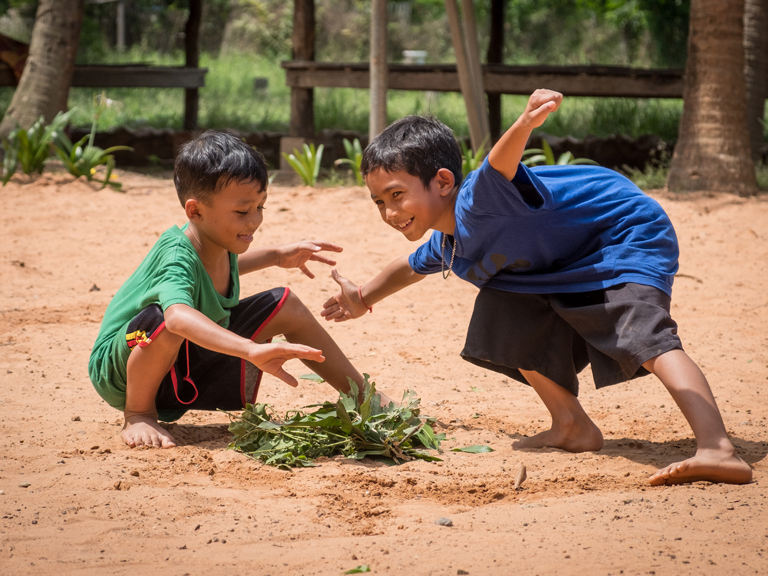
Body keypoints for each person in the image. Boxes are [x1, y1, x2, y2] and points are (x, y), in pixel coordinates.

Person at [320, 89, 752, 486]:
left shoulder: (477, 198)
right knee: (503, 305)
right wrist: (361, 299)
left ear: (444, 182)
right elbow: (409, 267)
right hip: (566, 256)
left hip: (621, 235)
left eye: (397, 195)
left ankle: (717, 447)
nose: (389, 212)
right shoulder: (450, 244)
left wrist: (525, 121)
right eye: (379, 202)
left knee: (643, 332)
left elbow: (498, 164)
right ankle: (571, 425)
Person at [89, 131, 391, 449]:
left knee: (285, 304)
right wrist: (250, 350)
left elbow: (218, 272)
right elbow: (176, 317)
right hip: (121, 373)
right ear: (195, 211)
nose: (255, 220)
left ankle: (364, 397)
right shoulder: (177, 255)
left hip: (178, 367)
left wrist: (277, 256)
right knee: (167, 318)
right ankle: (138, 414)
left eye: (261, 207)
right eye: (242, 211)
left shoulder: (219, 239)